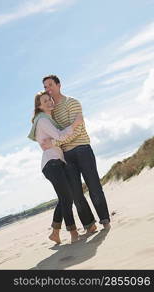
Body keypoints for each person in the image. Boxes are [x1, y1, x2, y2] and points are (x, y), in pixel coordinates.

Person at [41, 75, 111, 230]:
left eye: (50, 85)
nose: (48, 89)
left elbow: (77, 130)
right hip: (66, 155)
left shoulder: (72, 102)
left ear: (59, 85)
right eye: (45, 87)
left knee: (94, 186)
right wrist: (56, 140)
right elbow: (56, 133)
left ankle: (104, 220)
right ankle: (89, 224)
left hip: (82, 149)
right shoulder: (51, 112)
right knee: (76, 194)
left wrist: (54, 142)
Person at [28, 91, 88, 244]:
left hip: (56, 162)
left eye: (49, 99)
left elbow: (57, 137)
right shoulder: (42, 121)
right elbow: (60, 136)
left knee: (64, 198)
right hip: (52, 163)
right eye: (45, 101)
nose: (49, 102)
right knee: (66, 198)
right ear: (39, 106)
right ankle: (73, 233)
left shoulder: (47, 119)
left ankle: (55, 232)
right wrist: (75, 123)